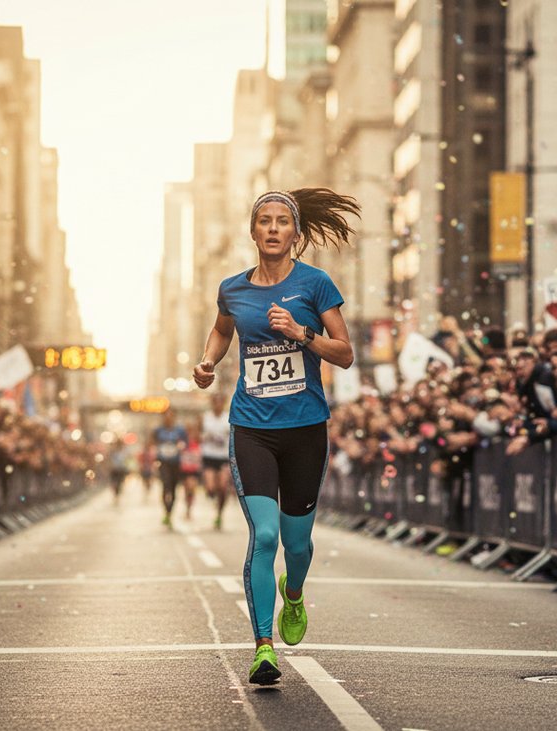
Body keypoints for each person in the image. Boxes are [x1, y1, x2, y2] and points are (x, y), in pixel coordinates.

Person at [192, 187, 357, 685]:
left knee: (297, 544)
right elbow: (222, 330)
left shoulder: (316, 284)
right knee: (264, 536)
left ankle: (296, 591)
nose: (272, 229)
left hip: (305, 428)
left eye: (281, 222)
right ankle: (264, 646)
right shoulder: (233, 289)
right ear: (253, 231)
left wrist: (301, 334)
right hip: (252, 428)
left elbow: (345, 353)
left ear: (296, 234)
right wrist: (208, 362)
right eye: (264, 220)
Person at [200, 391, 232, 530]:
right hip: (208, 456)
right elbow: (196, 435)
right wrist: (203, 436)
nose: (218, 404)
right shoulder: (205, 418)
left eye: (220, 402)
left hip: (224, 457)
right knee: (211, 487)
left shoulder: (229, 418)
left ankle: (219, 514)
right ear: (212, 403)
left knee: (223, 487)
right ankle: (210, 492)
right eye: (215, 402)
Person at [150, 408, 187, 527]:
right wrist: (154, 451)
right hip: (163, 462)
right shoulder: (158, 430)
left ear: (174, 417)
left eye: (171, 415)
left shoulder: (180, 430)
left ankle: (170, 512)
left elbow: (185, 442)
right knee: (166, 485)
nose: (168, 418)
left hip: (175, 462)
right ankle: (166, 511)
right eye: (166, 416)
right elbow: (152, 443)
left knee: (173, 488)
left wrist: (181, 445)